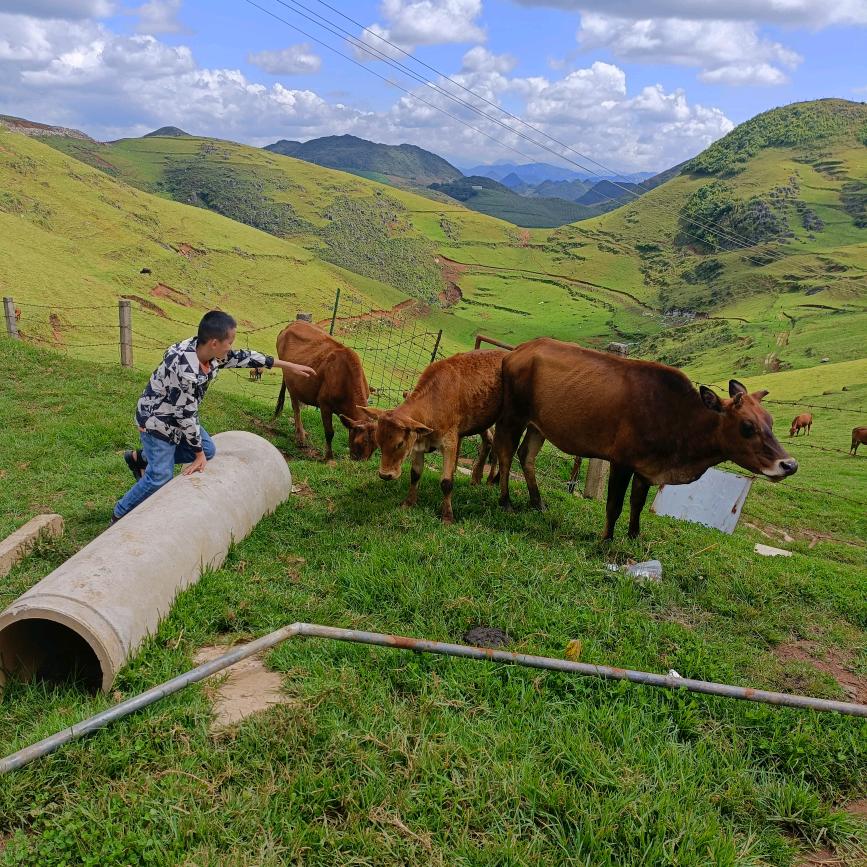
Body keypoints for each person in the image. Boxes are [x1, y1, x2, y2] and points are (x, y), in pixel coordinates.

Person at [111, 310, 315, 524]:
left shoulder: (209, 353)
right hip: (157, 421)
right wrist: (197, 454)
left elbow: (244, 358)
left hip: (178, 417)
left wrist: (289, 365)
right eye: (230, 342)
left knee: (209, 449)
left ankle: (140, 458)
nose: (231, 347)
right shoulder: (183, 367)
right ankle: (120, 512)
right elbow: (186, 417)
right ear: (215, 343)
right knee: (160, 476)